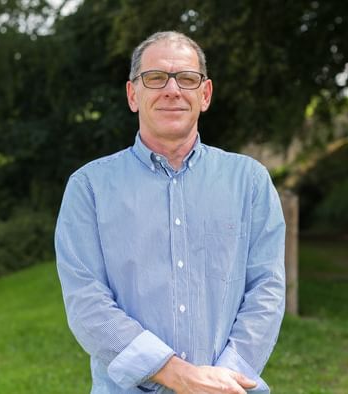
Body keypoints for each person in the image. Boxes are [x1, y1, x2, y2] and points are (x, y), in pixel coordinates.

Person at [54, 31, 286, 394]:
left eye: (187, 79)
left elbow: (266, 289)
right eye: (156, 78)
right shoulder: (89, 188)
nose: (172, 90)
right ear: (133, 94)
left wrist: (224, 381)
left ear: (204, 94)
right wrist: (176, 375)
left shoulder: (250, 181)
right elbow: (86, 301)